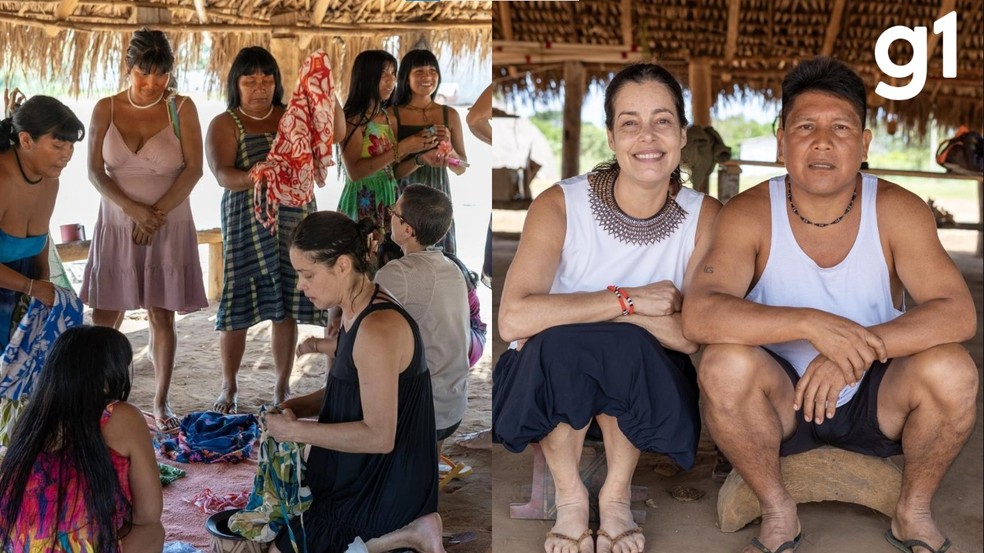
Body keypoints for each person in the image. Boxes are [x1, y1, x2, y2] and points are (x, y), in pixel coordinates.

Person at [682, 57, 977, 553]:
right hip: (781, 403)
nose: (822, 141)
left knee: (954, 369)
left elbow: (957, 312)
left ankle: (913, 512)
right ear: (781, 142)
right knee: (722, 364)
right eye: (805, 126)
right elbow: (701, 313)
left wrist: (857, 351)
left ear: (863, 145)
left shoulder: (898, 210)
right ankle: (778, 510)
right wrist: (809, 324)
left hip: (876, 401)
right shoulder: (749, 213)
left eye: (841, 127)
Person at [494, 63, 721, 553]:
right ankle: (572, 497)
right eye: (630, 122)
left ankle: (615, 495)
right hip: (546, 374)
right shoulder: (559, 205)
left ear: (682, 135)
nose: (647, 137)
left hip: (647, 377)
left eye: (662, 121)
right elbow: (512, 319)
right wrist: (630, 300)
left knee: (621, 343)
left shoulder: (705, 216)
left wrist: (614, 316)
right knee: (562, 345)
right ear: (612, 137)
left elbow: (690, 336)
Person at [264, 211, 444, 553]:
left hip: (388, 481)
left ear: (343, 265)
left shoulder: (378, 328)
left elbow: (379, 436)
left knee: (285, 547)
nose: (300, 285)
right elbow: (347, 391)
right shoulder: (355, 308)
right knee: (285, 521)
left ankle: (409, 530)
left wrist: (295, 431)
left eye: (307, 275)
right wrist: (294, 407)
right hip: (364, 469)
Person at [81, 28, 208, 433]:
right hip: (118, 225)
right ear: (128, 67)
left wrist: (155, 214)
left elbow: (194, 170)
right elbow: (94, 173)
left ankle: (161, 400)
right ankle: (95, 397)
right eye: (143, 74)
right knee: (105, 316)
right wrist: (134, 211)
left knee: (162, 315)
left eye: (161, 76)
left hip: (168, 225)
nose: (152, 84)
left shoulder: (182, 108)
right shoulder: (106, 109)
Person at [205, 46, 337, 413]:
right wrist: (258, 174)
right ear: (237, 84)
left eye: (267, 79)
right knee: (238, 305)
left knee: (285, 306)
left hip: (295, 220)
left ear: (278, 83)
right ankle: (229, 386)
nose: (260, 87)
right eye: (250, 80)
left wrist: (326, 96)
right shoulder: (226, 123)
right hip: (247, 219)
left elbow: (333, 134)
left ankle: (281, 388)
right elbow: (222, 175)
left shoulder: (294, 115)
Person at [0, 325, 164, 551]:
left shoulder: (30, 421)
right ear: (107, 379)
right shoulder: (121, 416)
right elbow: (148, 514)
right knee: (153, 531)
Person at [337, 50, 439, 262]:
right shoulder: (353, 119)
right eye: (384, 74)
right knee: (364, 265)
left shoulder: (387, 116)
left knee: (388, 266)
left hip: (389, 201)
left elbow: (393, 171)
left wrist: (420, 157)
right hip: (363, 201)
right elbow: (355, 172)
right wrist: (401, 148)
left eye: (393, 73)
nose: (391, 80)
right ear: (366, 77)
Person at [0, 93, 84, 347]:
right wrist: (30, 286)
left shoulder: (50, 180)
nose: (67, 155)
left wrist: (43, 280)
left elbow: (42, 234)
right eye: (58, 146)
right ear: (26, 140)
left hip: (25, 290)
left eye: (71, 146)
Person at [392, 49, 468, 254]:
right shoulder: (392, 115)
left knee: (438, 263)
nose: (427, 76)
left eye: (432, 71)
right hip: (403, 200)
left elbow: (461, 168)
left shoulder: (449, 115)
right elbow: (391, 172)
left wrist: (449, 152)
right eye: (419, 71)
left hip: (437, 202)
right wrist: (419, 159)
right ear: (406, 77)